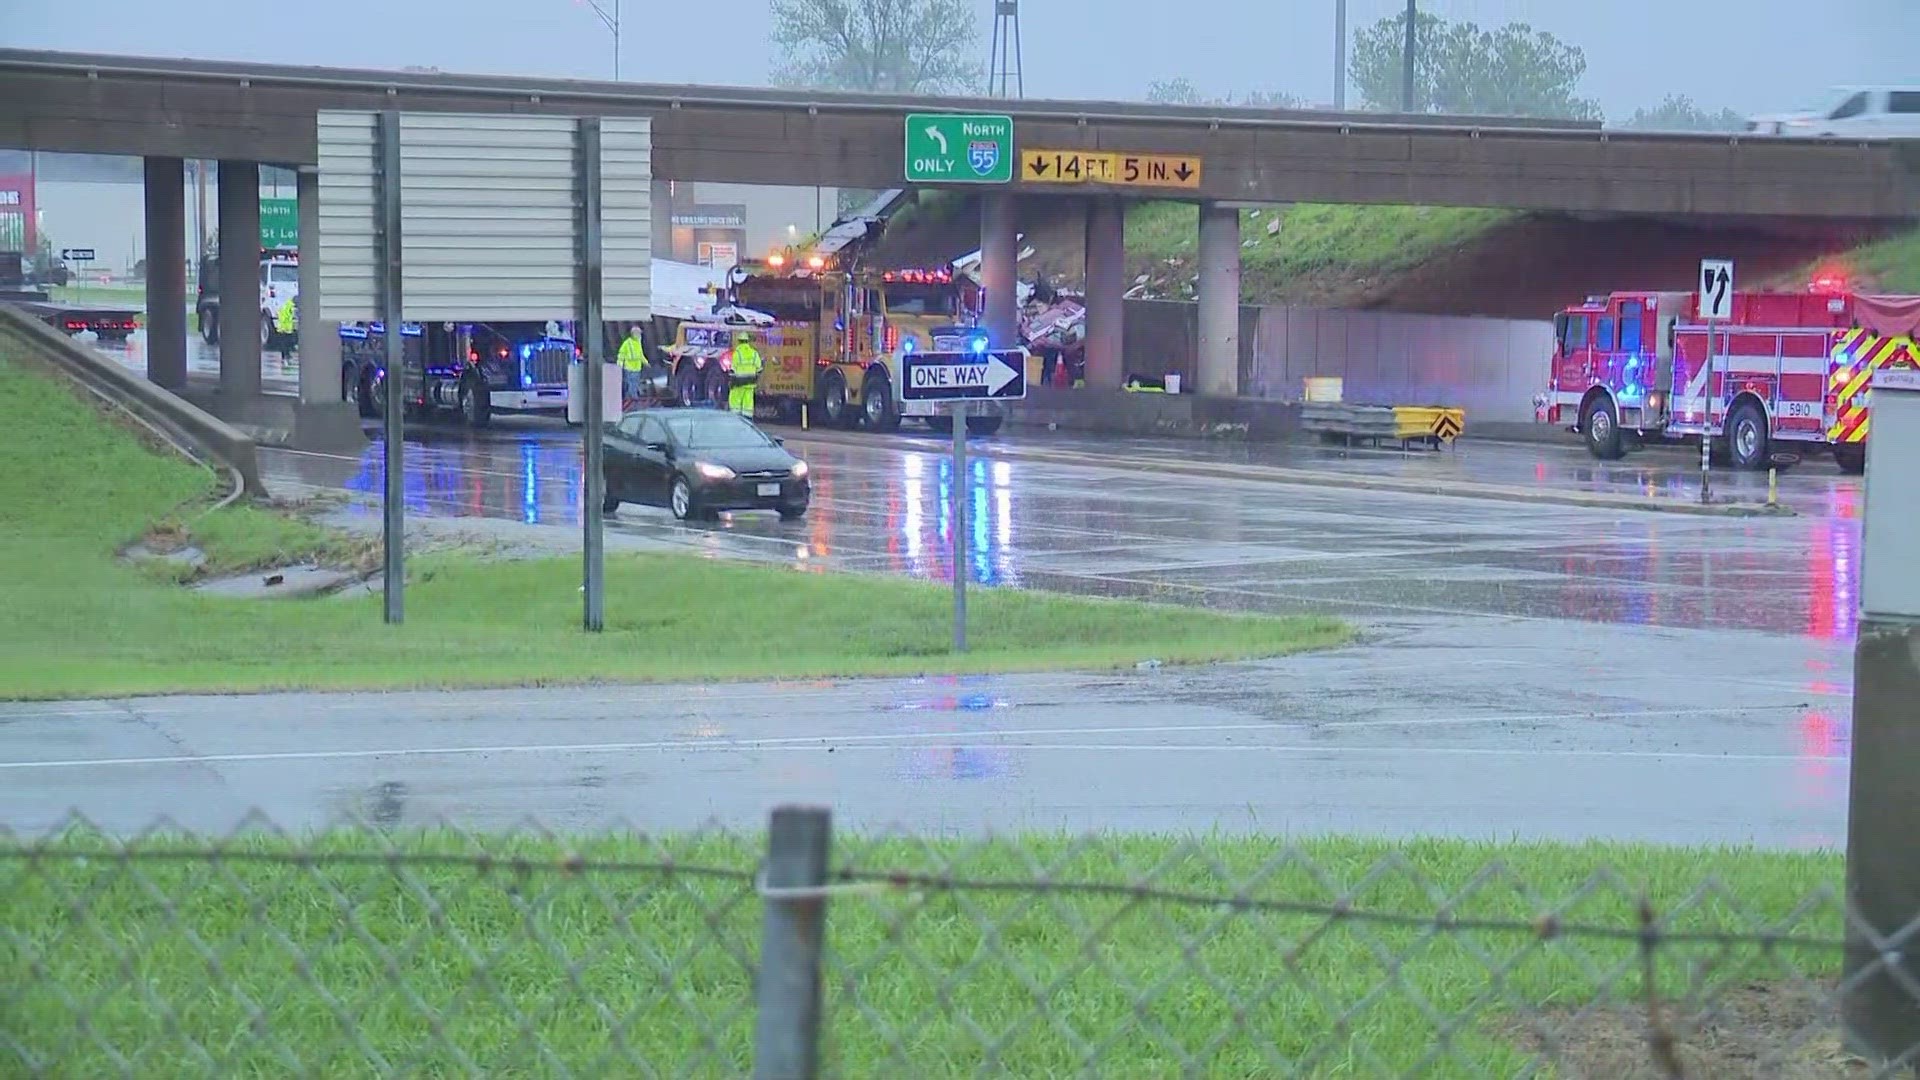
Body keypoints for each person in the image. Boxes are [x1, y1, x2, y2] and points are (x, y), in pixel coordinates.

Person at [728, 332, 763, 416]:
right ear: (747, 341)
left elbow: (733, 369)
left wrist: (731, 382)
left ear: (739, 341)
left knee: (735, 401)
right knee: (748, 402)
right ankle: (747, 417)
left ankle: (735, 417)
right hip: (750, 383)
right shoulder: (754, 353)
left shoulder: (737, 353)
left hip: (738, 382)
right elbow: (759, 368)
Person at [617, 325, 648, 406]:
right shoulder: (627, 343)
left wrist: (646, 362)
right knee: (631, 385)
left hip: (637, 368)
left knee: (634, 384)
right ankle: (633, 400)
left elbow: (640, 355)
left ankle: (630, 400)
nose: (639, 335)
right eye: (638, 334)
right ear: (634, 334)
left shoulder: (638, 343)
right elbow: (621, 354)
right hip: (629, 368)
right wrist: (619, 364)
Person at [274, 294, 298, 359]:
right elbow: (287, 318)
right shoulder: (290, 307)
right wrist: (288, 329)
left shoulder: (287, 305)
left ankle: (285, 356)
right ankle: (286, 356)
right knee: (286, 343)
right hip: (285, 328)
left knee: (284, 343)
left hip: (282, 328)